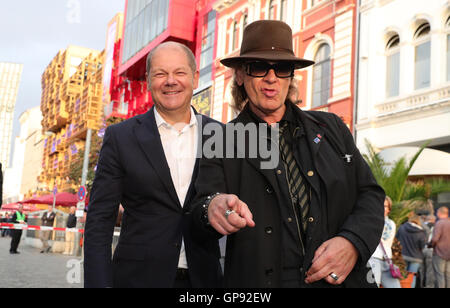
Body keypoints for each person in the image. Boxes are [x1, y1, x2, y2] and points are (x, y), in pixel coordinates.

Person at [192, 20, 385, 288]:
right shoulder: (222, 140)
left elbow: (370, 193)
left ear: (291, 76)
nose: (271, 77)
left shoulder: (332, 128)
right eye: (259, 67)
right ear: (240, 75)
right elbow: (201, 206)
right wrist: (212, 207)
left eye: (282, 68)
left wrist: (352, 242)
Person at [84, 41, 223, 288]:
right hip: (136, 279)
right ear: (148, 80)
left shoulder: (220, 135)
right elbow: (99, 220)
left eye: (179, 72)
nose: (171, 81)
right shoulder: (121, 137)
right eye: (161, 74)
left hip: (204, 280)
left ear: (194, 76)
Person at [369, 196, 401, 288]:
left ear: (389, 209)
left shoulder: (391, 224)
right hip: (373, 259)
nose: (382, 208)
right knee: (374, 285)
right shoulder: (370, 222)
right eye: (380, 205)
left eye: (385, 206)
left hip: (387, 260)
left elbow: (385, 239)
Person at [396, 212, 427, 288]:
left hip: (403, 255)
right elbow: (423, 246)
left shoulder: (402, 227)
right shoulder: (421, 232)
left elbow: (396, 239)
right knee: (412, 277)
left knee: (402, 275)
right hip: (416, 257)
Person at [431, 206, 450, 288]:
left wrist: (430, 245)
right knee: (448, 275)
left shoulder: (439, 223)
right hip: (449, 253)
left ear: (439, 213)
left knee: (439, 275)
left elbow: (435, 239)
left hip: (439, 253)